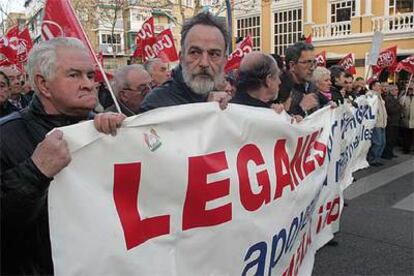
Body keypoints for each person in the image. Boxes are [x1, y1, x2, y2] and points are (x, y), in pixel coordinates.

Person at [0, 37, 125, 275]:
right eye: (74, 75)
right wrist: (34, 172)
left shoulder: (102, 128)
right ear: (43, 85)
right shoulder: (5, 136)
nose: (88, 84)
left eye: (90, 75)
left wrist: (126, 139)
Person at [139, 12, 232, 112]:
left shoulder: (231, 103)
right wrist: (206, 111)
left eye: (214, 54)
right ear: (181, 58)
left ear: (224, 61)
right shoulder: (156, 104)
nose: (204, 63)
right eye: (195, 52)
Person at [276, 41, 321, 117]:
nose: (312, 68)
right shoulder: (278, 88)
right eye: (307, 62)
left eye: (314, 62)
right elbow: (274, 121)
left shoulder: (312, 86)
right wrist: (301, 108)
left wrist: (328, 106)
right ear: (292, 65)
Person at [366, 80, 387, 166]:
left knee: (382, 142)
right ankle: (372, 159)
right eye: (378, 86)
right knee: (377, 143)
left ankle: (377, 158)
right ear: (373, 87)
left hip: (382, 123)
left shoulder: (379, 96)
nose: (380, 87)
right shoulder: (371, 95)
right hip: (376, 124)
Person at [382, 85, 402, 159]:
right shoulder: (388, 98)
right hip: (391, 122)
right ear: (391, 91)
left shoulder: (394, 98)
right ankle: (387, 154)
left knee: (393, 139)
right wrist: (400, 106)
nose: (397, 91)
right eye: (395, 90)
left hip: (395, 121)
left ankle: (390, 152)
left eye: (397, 89)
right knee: (389, 139)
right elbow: (390, 110)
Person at [400, 85, 414, 154]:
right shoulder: (403, 97)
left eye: (412, 89)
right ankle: (406, 149)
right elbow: (400, 108)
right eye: (409, 89)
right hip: (406, 120)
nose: (410, 91)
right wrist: (402, 115)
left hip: (413, 119)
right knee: (406, 135)